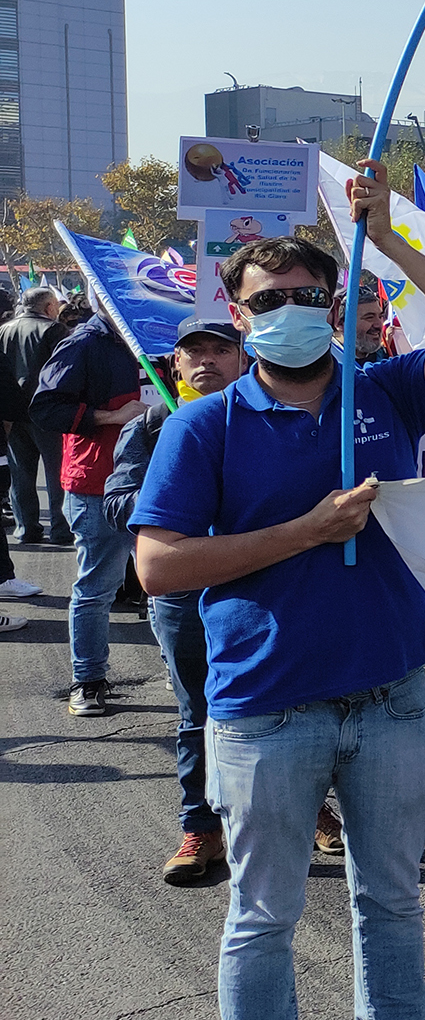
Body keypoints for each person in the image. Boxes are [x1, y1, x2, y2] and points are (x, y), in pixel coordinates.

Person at [131, 169, 425, 1020]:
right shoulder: (202, 427)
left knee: (388, 899)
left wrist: (389, 240)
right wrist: (307, 530)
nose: (288, 313)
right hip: (265, 709)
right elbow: (159, 566)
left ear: (334, 301)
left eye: (309, 293)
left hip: (389, 698)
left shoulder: (380, 392)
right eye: (266, 299)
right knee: (262, 915)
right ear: (237, 308)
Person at [104, 316, 250, 882]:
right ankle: (202, 829)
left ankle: (305, 808)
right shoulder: (147, 428)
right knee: (198, 715)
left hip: (261, 587)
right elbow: (117, 505)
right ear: (175, 366)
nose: (208, 361)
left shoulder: (266, 421)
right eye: (195, 353)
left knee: (285, 706)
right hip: (184, 595)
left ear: (244, 359)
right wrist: (180, 497)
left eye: (221, 349)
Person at [32, 304, 145, 716]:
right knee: (96, 587)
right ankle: (89, 679)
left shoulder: (157, 335)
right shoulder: (82, 343)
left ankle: (178, 667)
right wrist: (112, 415)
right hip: (97, 483)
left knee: (169, 585)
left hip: (158, 477)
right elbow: (45, 408)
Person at [3, 286, 70, 546]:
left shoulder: (4, 330)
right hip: (47, 411)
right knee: (57, 473)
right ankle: (60, 528)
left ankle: (26, 527)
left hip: (12, 413)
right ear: (49, 307)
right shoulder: (54, 330)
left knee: (20, 474)